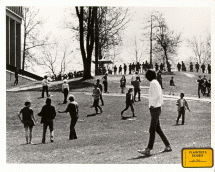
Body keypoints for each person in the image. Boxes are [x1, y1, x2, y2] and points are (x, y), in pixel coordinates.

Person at [138, 70, 172, 156]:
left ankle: (148, 149)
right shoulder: (156, 82)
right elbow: (159, 95)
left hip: (155, 108)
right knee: (157, 129)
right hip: (157, 107)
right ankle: (168, 146)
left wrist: (152, 104)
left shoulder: (153, 83)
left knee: (152, 129)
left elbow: (156, 95)